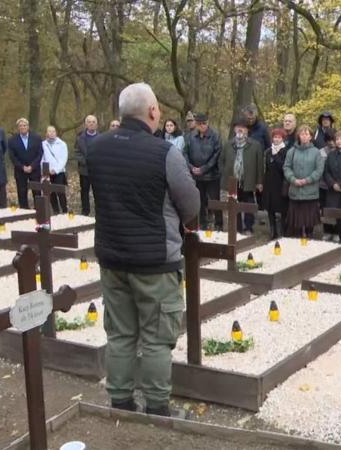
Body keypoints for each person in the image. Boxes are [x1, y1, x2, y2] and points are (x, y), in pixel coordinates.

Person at [87, 82, 199, 417]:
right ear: (152, 112)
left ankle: (120, 400)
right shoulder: (164, 153)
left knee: (120, 333)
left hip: (112, 256)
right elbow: (190, 203)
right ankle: (157, 406)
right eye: (158, 109)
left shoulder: (96, 149)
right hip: (154, 261)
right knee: (156, 337)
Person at [219, 119, 264, 234]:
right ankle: (237, 228)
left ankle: (248, 227)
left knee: (248, 204)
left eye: (243, 127)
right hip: (232, 181)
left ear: (247, 130)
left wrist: (259, 182)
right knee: (234, 204)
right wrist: (224, 173)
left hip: (248, 180)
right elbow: (221, 161)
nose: (240, 129)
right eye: (238, 127)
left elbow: (260, 165)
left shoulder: (255, 145)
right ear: (234, 130)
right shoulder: (228, 144)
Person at [183, 113, 223, 230]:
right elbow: (185, 152)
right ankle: (203, 224)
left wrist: (204, 168)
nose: (202, 126)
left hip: (211, 175)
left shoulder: (215, 136)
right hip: (195, 175)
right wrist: (191, 167)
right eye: (199, 124)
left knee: (215, 201)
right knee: (199, 201)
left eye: (204, 124)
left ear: (208, 123)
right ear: (196, 124)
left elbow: (217, 154)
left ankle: (219, 224)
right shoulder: (190, 136)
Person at [284, 125, 325, 238]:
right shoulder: (291, 151)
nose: (304, 136)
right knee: (295, 224)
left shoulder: (316, 152)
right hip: (295, 192)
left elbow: (319, 170)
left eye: (307, 134)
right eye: (302, 134)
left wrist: (307, 180)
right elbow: (286, 167)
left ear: (311, 136)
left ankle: (309, 241)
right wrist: (293, 179)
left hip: (310, 193)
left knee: (309, 223)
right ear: (298, 136)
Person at [7, 118, 43, 209]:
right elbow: (12, 156)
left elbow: (40, 154)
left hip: (34, 170)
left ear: (28, 126)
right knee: (22, 192)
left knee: (37, 192)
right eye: (20, 126)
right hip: (20, 171)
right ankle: (24, 211)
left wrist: (32, 166)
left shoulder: (37, 138)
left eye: (24, 125)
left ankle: (38, 210)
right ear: (18, 128)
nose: (23, 127)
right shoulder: (12, 140)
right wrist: (22, 167)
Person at [263, 128, 289, 239]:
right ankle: (273, 232)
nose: (276, 139)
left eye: (279, 137)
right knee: (270, 209)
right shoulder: (268, 151)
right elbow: (267, 167)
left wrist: (276, 156)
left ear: (282, 139)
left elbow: (283, 167)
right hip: (269, 183)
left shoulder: (286, 151)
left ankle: (282, 232)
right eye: (275, 137)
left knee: (281, 209)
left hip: (281, 184)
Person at [75, 115, 99, 215]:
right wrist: (85, 161)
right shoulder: (80, 138)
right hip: (84, 170)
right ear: (85, 124)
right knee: (84, 192)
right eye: (89, 122)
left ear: (96, 124)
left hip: (97, 170)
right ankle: (85, 211)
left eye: (93, 122)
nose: (91, 124)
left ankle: (99, 212)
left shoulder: (101, 138)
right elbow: (77, 152)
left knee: (98, 192)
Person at [41, 125, 68, 214]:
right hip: (47, 172)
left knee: (60, 193)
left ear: (56, 133)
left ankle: (64, 210)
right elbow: (41, 159)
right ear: (46, 133)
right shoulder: (43, 144)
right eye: (49, 131)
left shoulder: (62, 144)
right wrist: (45, 170)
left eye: (53, 131)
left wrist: (55, 170)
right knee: (50, 193)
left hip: (59, 172)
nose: (51, 133)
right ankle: (56, 211)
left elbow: (63, 159)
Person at [318, 130, 337, 241]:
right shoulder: (321, 152)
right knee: (324, 209)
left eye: (333, 140)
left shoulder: (340, 151)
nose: (331, 143)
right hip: (323, 186)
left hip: (336, 186)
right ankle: (327, 231)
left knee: (335, 209)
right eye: (329, 140)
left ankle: (336, 232)